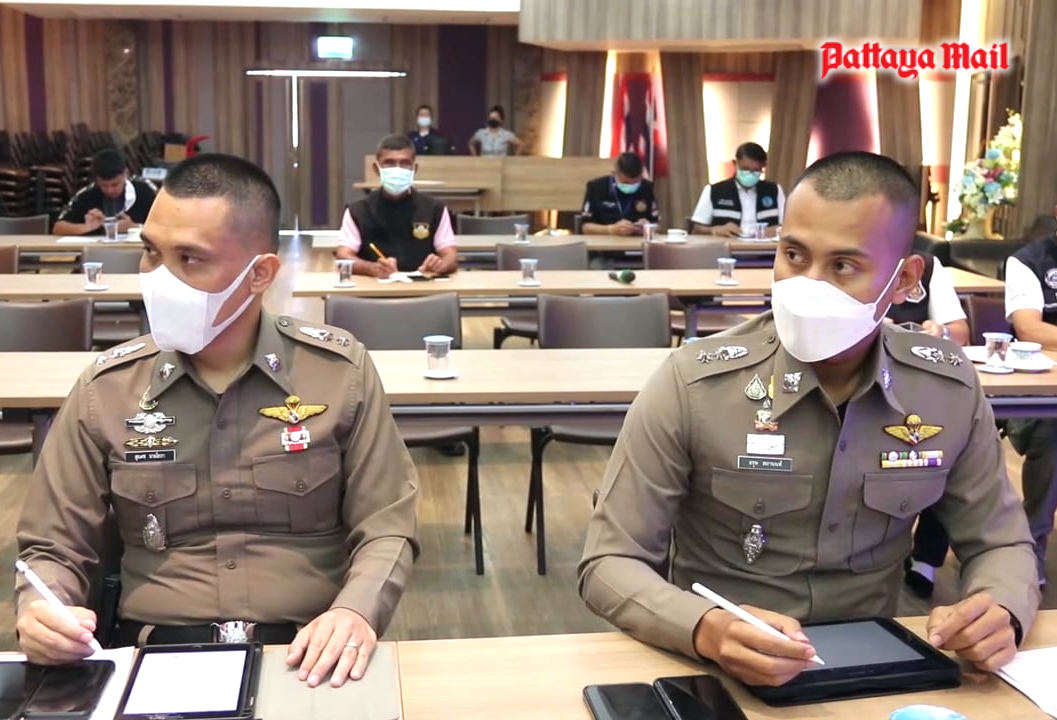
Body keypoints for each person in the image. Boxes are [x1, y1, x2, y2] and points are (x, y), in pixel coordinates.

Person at [580, 151, 1039, 688]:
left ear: (903, 280)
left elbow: (1001, 542)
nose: (807, 285)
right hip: (717, 669)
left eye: (843, 266)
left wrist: (999, 608)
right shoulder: (693, 384)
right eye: (794, 255)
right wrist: (705, 628)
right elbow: (610, 560)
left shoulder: (944, 391)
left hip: (870, 669)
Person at [16, 153, 420, 690]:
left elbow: (388, 523)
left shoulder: (337, 374)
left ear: (260, 274)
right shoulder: (107, 389)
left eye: (190, 259)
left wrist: (356, 610)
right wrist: (42, 607)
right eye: (151, 253)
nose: (159, 279)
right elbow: (52, 546)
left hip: (311, 653)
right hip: (154, 654)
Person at [883, 254, 971, 597]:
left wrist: (940, 330)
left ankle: (927, 558)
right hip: (864, 381)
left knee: (947, 448)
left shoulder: (929, 266)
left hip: (922, 380)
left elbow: (960, 331)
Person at [1003, 201, 1057, 588]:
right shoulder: (1027, 261)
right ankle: (1033, 542)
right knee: (1054, 436)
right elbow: (1029, 329)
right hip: (1040, 393)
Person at [336, 134, 458, 278]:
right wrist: (372, 268)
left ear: (414, 169)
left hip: (423, 288)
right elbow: (343, 256)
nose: (397, 169)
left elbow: (450, 256)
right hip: (375, 288)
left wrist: (440, 265)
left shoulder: (435, 208)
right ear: (377, 168)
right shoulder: (358, 211)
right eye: (389, 163)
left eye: (405, 163)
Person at [53, 149, 157, 236]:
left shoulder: (145, 190)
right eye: (104, 185)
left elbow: (166, 228)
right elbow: (58, 228)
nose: (109, 190)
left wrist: (134, 227)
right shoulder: (87, 194)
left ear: (126, 174)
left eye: (115, 184)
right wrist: (87, 227)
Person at [691, 142, 784, 238]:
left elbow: (787, 227)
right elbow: (696, 229)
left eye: (756, 170)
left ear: (763, 168)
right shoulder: (713, 191)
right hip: (727, 246)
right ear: (735, 164)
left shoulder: (775, 191)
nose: (750, 174)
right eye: (745, 169)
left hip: (765, 246)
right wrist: (715, 230)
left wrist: (777, 230)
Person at [580, 152, 660, 236]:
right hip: (604, 241)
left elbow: (657, 225)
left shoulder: (647, 187)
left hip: (636, 242)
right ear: (614, 174)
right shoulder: (596, 187)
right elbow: (585, 227)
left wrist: (647, 227)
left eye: (635, 182)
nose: (631, 185)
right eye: (625, 183)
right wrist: (610, 229)